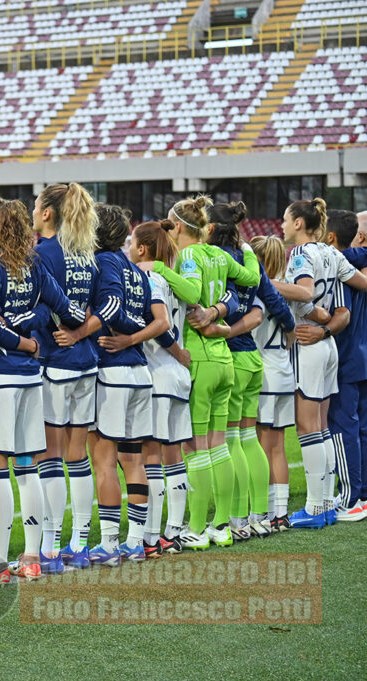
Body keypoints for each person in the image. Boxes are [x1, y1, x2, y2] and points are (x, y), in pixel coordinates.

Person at [0, 197, 84, 583]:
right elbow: (67, 309)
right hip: (32, 377)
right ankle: (32, 556)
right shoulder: (33, 264)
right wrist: (38, 322)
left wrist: (21, 338)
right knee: (28, 465)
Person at [147, 195, 261, 550]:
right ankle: (221, 525)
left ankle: (195, 528)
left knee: (196, 449)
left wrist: (159, 268)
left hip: (199, 360)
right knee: (219, 447)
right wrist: (247, 248)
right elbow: (253, 278)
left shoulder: (192, 256)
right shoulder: (222, 254)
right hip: (225, 358)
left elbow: (192, 290)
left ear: (178, 227)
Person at [58, 204, 166, 564]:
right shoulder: (134, 268)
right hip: (138, 372)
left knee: (103, 459)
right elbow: (154, 318)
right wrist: (135, 338)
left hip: (114, 369)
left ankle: (107, 543)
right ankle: (135, 542)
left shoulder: (104, 262)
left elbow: (112, 308)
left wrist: (124, 335)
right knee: (132, 458)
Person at [207, 202, 295, 539]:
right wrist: (288, 326)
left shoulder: (212, 259)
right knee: (249, 440)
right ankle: (259, 516)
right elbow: (272, 298)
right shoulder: (248, 258)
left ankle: (235, 519)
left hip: (226, 356)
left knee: (226, 443)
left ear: (210, 228)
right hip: (253, 360)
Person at [282, 199, 367, 529]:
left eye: (287, 220)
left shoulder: (301, 254)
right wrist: (328, 318)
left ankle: (317, 507)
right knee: (323, 426)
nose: (283, 226)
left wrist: (265, 282)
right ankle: (327, 504)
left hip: (310, 340)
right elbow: (360, 286)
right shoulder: (333, 254)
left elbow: (304, 293)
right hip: (331, 342)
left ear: (300, 223)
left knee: (309, 426)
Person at [32, 183, 99, 570]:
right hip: (86, 361)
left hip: (55, 361)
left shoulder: (44, 253)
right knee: (79, 457)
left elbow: (42, 307)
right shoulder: (85, 253)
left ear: (47, 214)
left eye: (36, 206)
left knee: (50, 457)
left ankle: (52, 548)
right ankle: (80, 544)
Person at [129, 221, 192, 554]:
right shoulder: (171, 277)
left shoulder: (149, 276)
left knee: (151, 454)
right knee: (173, 455)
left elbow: (160, 324)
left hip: (160, 371)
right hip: (178, 375)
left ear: (142, 249)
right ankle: (173, 531)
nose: (128, 248)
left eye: (131, 243)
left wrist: (177, 350)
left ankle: (151, 537)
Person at [249, 235, 306, 531]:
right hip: (285, 371)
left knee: (260, 445)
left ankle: (261, 512)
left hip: (264, 372)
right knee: (278, 447)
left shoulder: (257, 292)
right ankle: (280, 513)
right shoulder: (289, 293)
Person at [324, 209, 367, 520]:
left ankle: (350, 498)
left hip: (347, 355)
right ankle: (362, 495)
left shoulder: (339, 264)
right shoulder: (354, 265)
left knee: (343, 427)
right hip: (362, 356)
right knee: (361, 428)